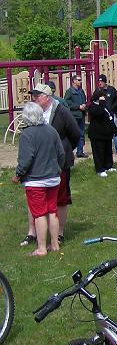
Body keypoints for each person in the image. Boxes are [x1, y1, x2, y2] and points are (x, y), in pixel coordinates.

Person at [26, 83, 79, 247]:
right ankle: (32, 233)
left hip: (59, 163)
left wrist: (64, 150)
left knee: (61, 199)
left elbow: (75, 133)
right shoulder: (34, 113)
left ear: (47, 97)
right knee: (35, 196)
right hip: (37, 163)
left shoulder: (61, 111)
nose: (33, 98)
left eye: (37, 95)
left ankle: (59, 234)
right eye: (33, 95)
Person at [12, 102, 65, 256]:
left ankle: (41, 248)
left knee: (39, 213)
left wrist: (18, 175)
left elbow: (26, 159)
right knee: (52, 211)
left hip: (36, 180)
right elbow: (61, 153)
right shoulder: (51, 130)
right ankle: (54, 244)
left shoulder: (27, 134)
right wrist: (57, 169)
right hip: (53, 178)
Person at [86, 88, 117, 177]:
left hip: (107, 133)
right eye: (102, 96)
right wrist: (102, 103)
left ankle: (108, 166)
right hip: (97, 134)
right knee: (99, 152)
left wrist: (114, 130)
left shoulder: (104, 106)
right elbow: (99, 113)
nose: (104, 98)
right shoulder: (92, 107)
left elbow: (109, 116)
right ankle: (100, 169)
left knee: (108, 151)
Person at [97, 74, 117, 156]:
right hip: (102, 115)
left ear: (105, 82)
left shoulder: (111, 90)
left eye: (101, 81)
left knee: (115, 132)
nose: (100, 83)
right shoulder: (98, 91)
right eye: (99, 81)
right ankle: (106, 150)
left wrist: (113, 107)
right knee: (103, 133)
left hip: (111, 115)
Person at [63, 74, 88, 157]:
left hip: (81, 115)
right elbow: (67, 103)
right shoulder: (69, 91)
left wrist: (84, 105)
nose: (80, 81)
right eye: (79, 80)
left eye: (80, 80)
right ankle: (69, 152)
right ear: (73, 81)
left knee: (81, 134)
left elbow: (84, 100)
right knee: (72, 134)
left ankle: (80, 152)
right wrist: (78, 106)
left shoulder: (81, 91)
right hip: (74, 116)